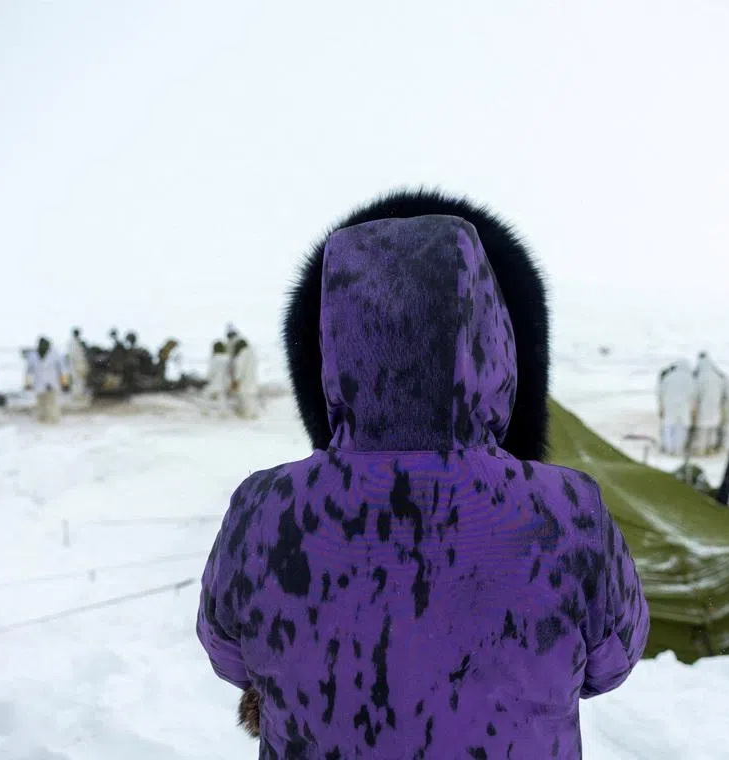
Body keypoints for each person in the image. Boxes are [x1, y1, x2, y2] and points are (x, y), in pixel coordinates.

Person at [196, 192, 649, 758]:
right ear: (498, 343)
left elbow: (228, 654)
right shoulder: (568, 511)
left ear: (327, 348)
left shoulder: (262, 510)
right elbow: (610, 663)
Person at [657, 359, 696, 456]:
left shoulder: (668, 377)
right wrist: (693, 409)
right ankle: (678, 449)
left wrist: (661, 407)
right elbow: (693, 395)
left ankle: (668, 449)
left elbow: (660, 393)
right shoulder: (690, 379)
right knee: (681, 428)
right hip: (683, 407)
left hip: (669, 406)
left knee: (668, 427)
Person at [692, 352, 728, 456]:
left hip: (703, 407)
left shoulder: (699, 377)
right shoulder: (717, 376)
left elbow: (695, 395)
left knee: (702, 430)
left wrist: (694, 408)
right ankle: (710, 449)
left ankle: (701, 450)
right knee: (712, 429)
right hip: (715, 406)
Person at [26, 337, 67, 424]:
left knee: (52, 403)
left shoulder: (55, 354)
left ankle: (54, 421)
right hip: (39, 383)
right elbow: (29, 371)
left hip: (52, 382)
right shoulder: (33, 355)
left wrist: (64, 382)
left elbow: (62, 369)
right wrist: (28, 383)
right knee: (41, 403)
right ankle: (42, 420)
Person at [227, 335, 259, 418]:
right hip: (252, 379)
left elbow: (239, 367)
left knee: (244, 398)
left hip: (243, 380)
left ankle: (246, 415)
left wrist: (236, 380)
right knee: (251, 398)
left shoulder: (242, 354)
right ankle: (253, 414)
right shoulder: (252, 353)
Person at [203, 340, 232, 413]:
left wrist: (207, 378)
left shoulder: (215, 358)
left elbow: (211, 371)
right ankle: (223, 412)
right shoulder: (227, 358)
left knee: (206, 394)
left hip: (215, 381)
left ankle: (205, 411)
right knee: (222, 397)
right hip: (225, 381)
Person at [66, 328, 91, 404]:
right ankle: (76, 397)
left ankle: (79, 397)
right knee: (76, 382)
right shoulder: (72, 343)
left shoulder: (78, 342)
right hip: (75, 366)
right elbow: (74, 356)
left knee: (80, 382)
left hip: (80, 365)